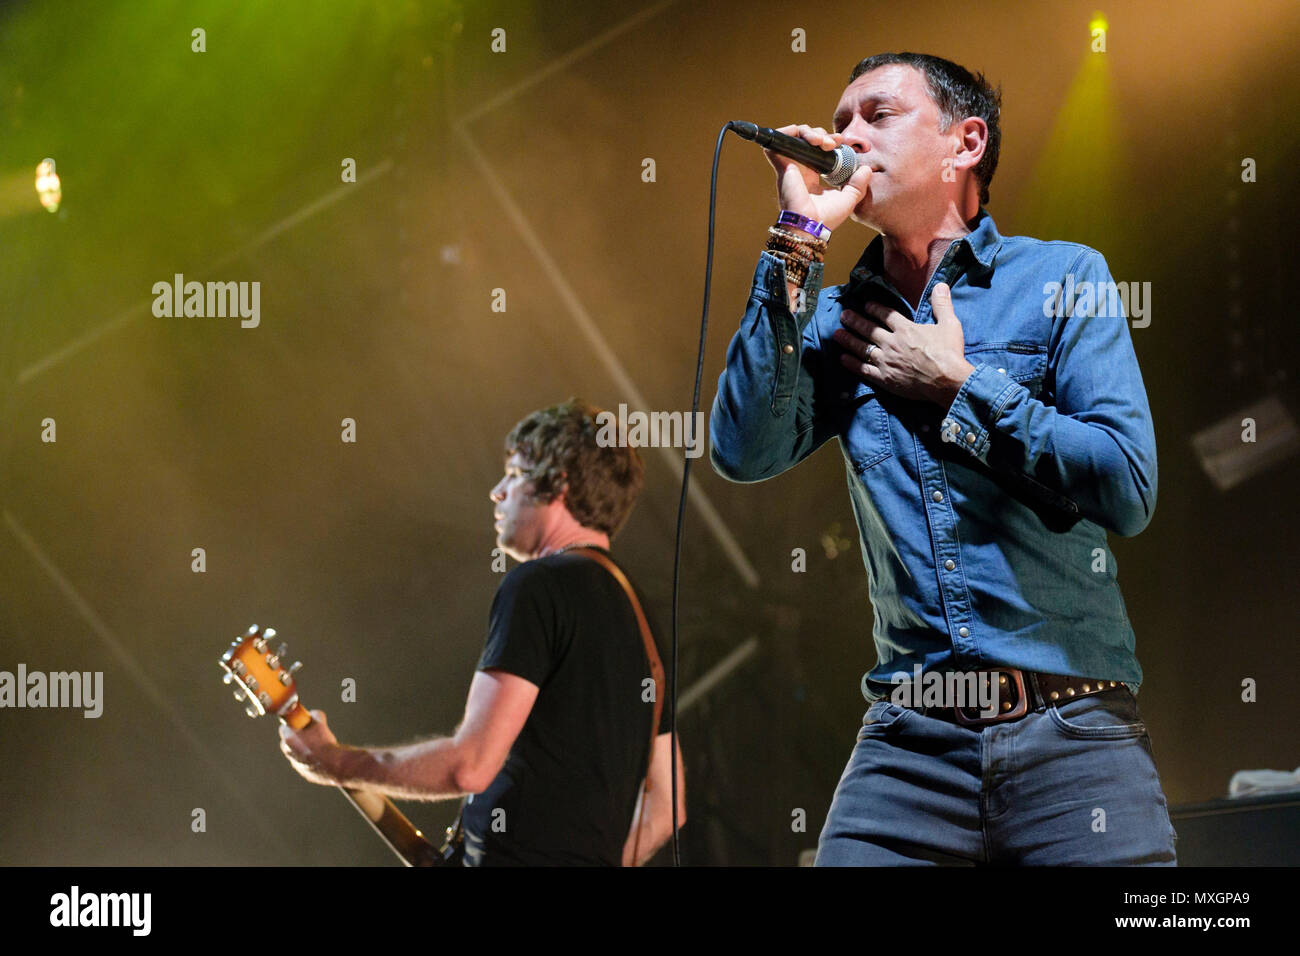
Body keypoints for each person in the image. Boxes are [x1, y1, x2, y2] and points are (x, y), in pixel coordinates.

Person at [709, 52, 1175, 865]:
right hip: (909, 741)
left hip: (1071, 728)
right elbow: (740, 452)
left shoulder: (1066, 277)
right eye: (841, 118)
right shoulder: (831, 320)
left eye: (876, 115)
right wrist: (796, 240)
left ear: (965, 143)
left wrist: (960, 387)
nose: (846, 134)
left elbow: (1126, 484)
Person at [281, 398, 685, 865]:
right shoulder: (643, 622)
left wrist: (333, 762)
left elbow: (469, 765)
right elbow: (667, 808)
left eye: (514, 474)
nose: (497, 492)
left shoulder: (538, 586)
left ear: (559, 484)